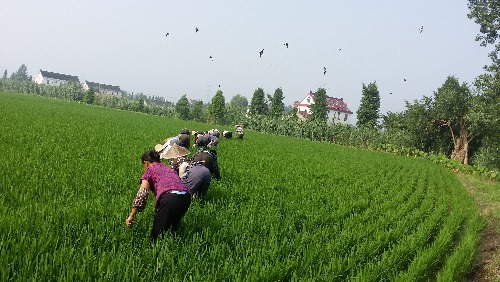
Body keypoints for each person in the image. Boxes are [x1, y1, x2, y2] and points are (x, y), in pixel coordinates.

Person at [126, 150, 191, 241]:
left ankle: (152, 251)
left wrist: (131, 215)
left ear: (146, 163)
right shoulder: (168, 168)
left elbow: (142, 195)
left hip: (170, 198)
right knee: (173, 227)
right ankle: (174, 246)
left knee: (156, 235)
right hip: (186, 197)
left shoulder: (149, 171)